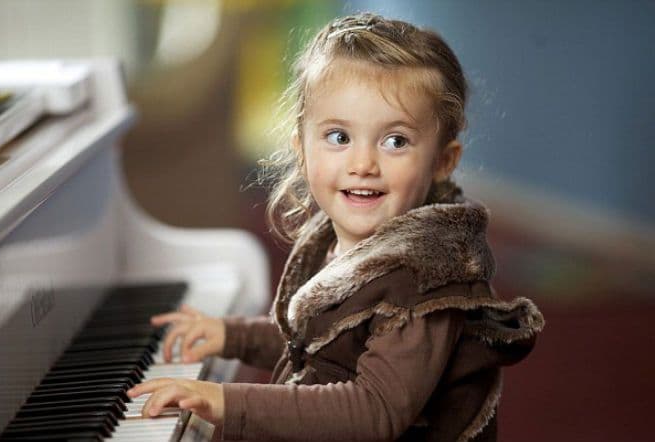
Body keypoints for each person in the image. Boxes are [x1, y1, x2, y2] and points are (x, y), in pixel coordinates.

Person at [127, 12, 545, 441]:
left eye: (395, 141)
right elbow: (320, 336)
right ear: (301, 148)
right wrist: (230, 335)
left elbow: (373, 412)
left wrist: (226, 401)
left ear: (442, 162)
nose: (362, 165)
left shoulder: (423, 282)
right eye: (339, 137)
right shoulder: (340, 236)